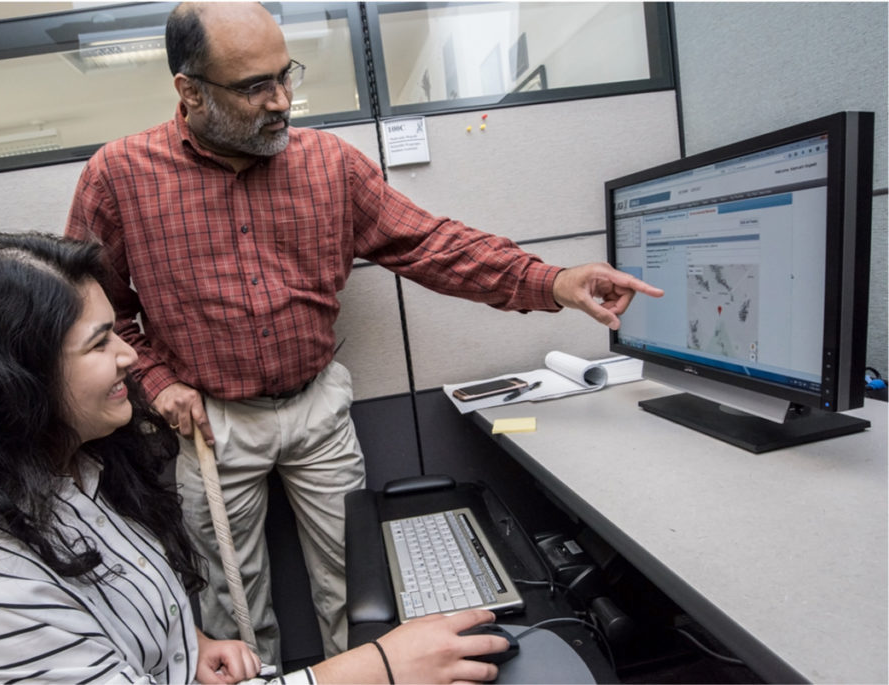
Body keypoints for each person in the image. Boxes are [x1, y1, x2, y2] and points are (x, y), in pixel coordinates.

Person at [64, 1, 664, 664]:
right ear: (189, 90)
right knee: (232, 612)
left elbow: (432, 244)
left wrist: (551, 280)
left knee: (360, 587)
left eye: (285, 75)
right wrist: (158, 382)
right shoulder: (118, 177)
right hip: (210, 422)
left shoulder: (328, 164)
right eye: (255, 86)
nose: (283, 101)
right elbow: (98, 315)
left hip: (317, 408)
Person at [0, 231, 511, 684]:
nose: (128, 356)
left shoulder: (71, 476)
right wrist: (377, 671)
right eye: (99, 343)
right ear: (13, 378)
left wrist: (185, 651)